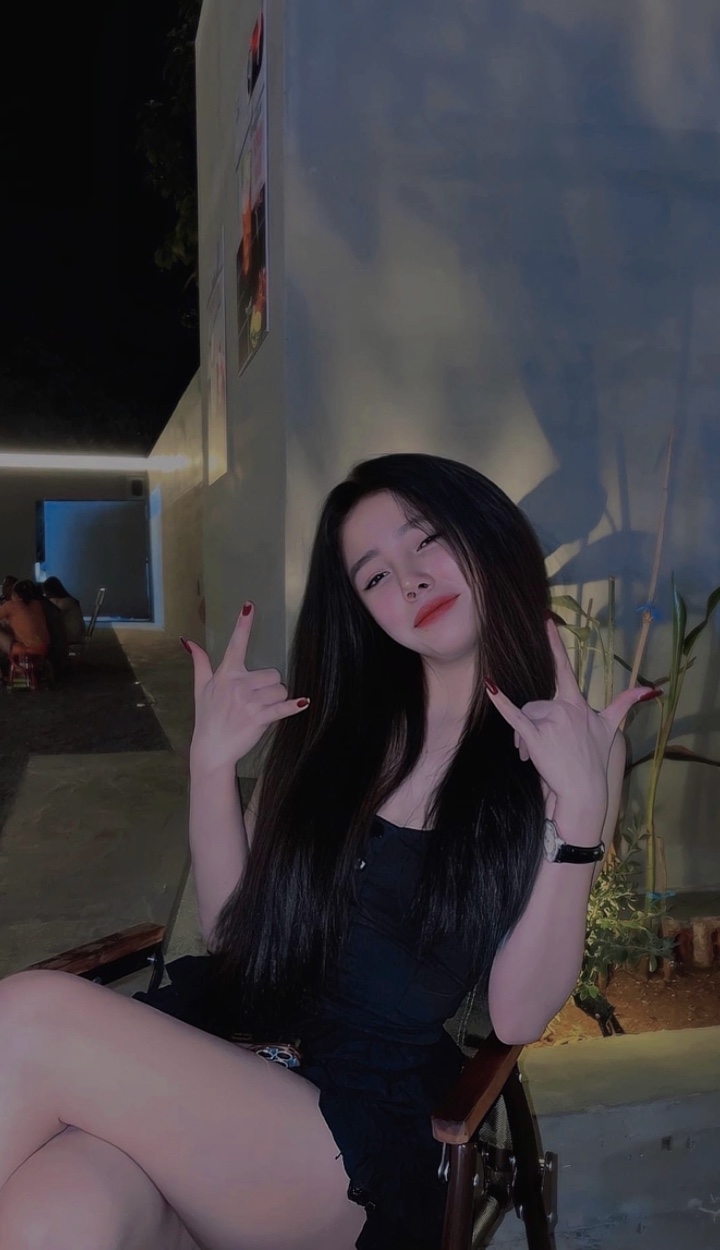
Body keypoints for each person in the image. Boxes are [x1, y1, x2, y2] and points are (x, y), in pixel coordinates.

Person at [0, 453, 655, 1250]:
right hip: (231, 1068)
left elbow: (517, 1014)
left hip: (354, 1132)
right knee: (55, 1213)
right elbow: (238, 937)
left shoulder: (575, 746)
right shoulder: (338, 731)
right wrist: (211, 765)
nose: (409, 580)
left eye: (427, 539)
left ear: (485, 532)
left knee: (32, 1016)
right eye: (374, 576)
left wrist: (577, 816)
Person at [0, 578, 51, 668]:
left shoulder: (11, 605)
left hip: (26, 651)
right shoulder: (37, 604)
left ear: (15, 594)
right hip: (44, 649)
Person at [42, 576, 86, 645]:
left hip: (72, 635)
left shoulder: (62, 602)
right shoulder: (68, 600)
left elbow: (50, 610)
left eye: (46, 592)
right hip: (76, 633)